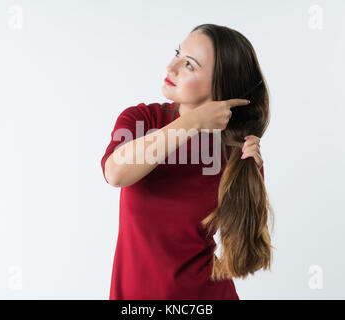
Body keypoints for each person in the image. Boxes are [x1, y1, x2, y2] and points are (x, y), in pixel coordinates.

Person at [101, 23, 274, 300]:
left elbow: (245, 254)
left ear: (221, 85)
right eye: (177, 53)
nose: (171, 67)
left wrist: (253, 179)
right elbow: (115, 173)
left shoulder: (235, 153)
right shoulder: (142, 120)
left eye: (190, 65)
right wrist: (192, 121)